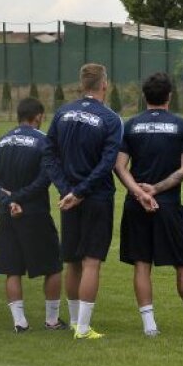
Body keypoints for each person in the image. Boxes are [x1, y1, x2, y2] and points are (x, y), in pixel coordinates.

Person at [116, 73, 183, 337]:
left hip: (137, 204)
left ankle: (149, 326)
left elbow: (119, 166)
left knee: (142, 263)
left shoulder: (130, 126)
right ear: (170, 96)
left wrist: (139, 193)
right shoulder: (182, 126)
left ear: (144, 97)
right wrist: (157, 189)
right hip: (167, 205)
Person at [43, 63, 123, 340]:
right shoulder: (111, 119)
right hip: (96, 197)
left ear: (81, 85)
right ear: (104, 85)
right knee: (91, 262)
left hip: (69, 198)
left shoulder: (62, 113)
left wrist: (67, 190)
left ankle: (76, 321)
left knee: (72, 262)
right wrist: (80, 191)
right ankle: (83, 327)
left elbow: (48, 154)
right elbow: (107, 163)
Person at [0, 97, 67, 333]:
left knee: (12, 269)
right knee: (52, 266)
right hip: (35, 213)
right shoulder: (43, 142)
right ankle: (52, 320)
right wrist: (20, 198)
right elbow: (45, 178)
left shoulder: (0, 142)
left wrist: (8, 200)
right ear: (39, 116)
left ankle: (19, 322)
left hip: (7, 213)